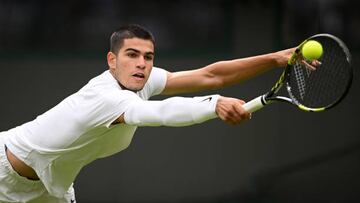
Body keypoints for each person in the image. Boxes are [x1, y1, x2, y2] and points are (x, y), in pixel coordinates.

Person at [0, 24, 294, 203]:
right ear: (112, 60)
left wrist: (275, 59)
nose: (142, 63)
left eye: (148, 56)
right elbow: (162, 112)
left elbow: (210, 75)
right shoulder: (105, 98)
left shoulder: (144, 80)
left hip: (49, 188)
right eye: (132, 55)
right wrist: (213, 104)